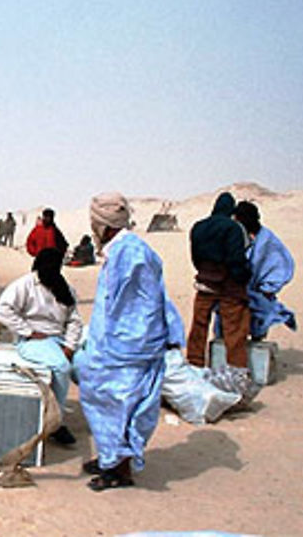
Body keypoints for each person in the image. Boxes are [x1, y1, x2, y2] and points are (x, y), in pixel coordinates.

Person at [76, 192, 184, 491]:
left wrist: (126, 342)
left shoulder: (130, 253)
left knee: (120, 406)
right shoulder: (121, 250)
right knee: (103, 402)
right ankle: (109, 458)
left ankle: (119, 472)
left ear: (100, 225)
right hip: (115, 345)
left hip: (128, 347)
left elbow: (146, 303)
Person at [0, 247, 83, 446]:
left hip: (58, 340)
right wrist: (27, 331)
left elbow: (74, 321)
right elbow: (2, 310)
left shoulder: (64, 288)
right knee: (62, 367)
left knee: (86, 368)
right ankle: (56, 422)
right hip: (33, 341)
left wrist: (69, 346)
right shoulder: (25, 285)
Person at [185, 193, 252, 378]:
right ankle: (236, 372)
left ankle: (194, 365)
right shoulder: (233, 228)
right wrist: (242, 277)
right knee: (235, 331)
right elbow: (235, 259)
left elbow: (195, 257)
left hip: (205, 282)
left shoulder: (198, 227)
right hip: (228, 286)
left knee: (199, 327)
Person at [219, 201, 296, 340]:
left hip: (259, 292)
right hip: (239, 289)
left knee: (258, 321)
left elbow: (281, 266)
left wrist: (267, 289)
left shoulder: (267, 241)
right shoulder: (239, 236)